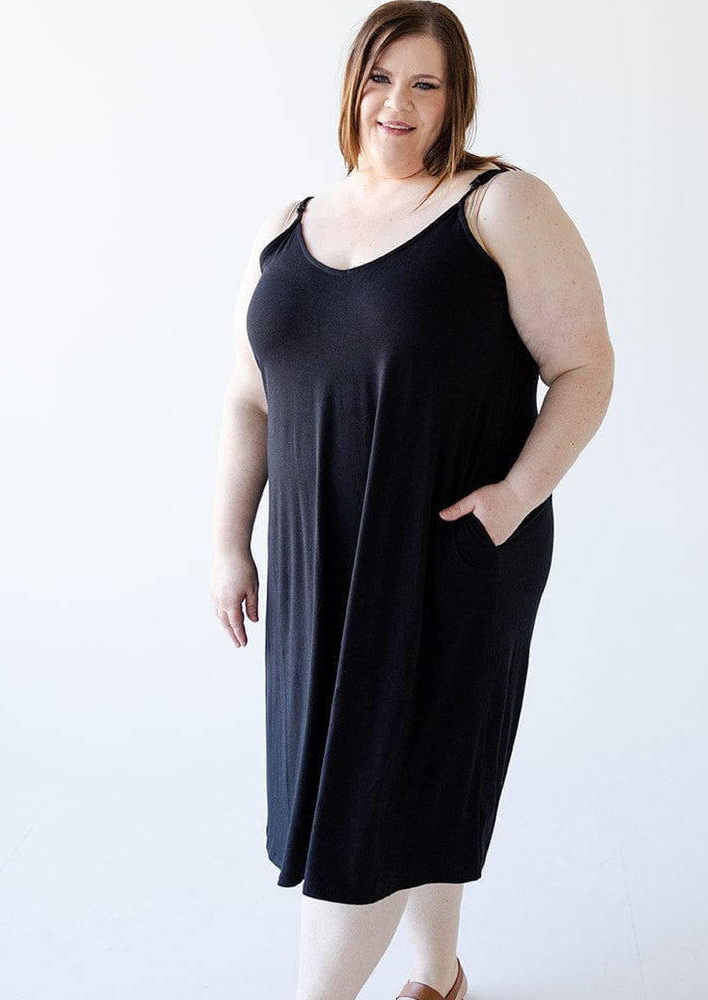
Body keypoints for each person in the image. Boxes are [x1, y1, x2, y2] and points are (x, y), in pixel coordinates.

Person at [210, 2, 613, 998]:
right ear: (352, 82)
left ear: (454, 98)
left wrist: (517, 497)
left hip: (448, 553)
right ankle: (438, 975)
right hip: (317, 563)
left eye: (425, 83)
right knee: (396, 781)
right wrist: (229, 544)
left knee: (374, 798)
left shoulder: (500, 204)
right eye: (381, 75)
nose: (398, 102)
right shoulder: (288, 224)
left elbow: (585, 365)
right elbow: (246, 397)